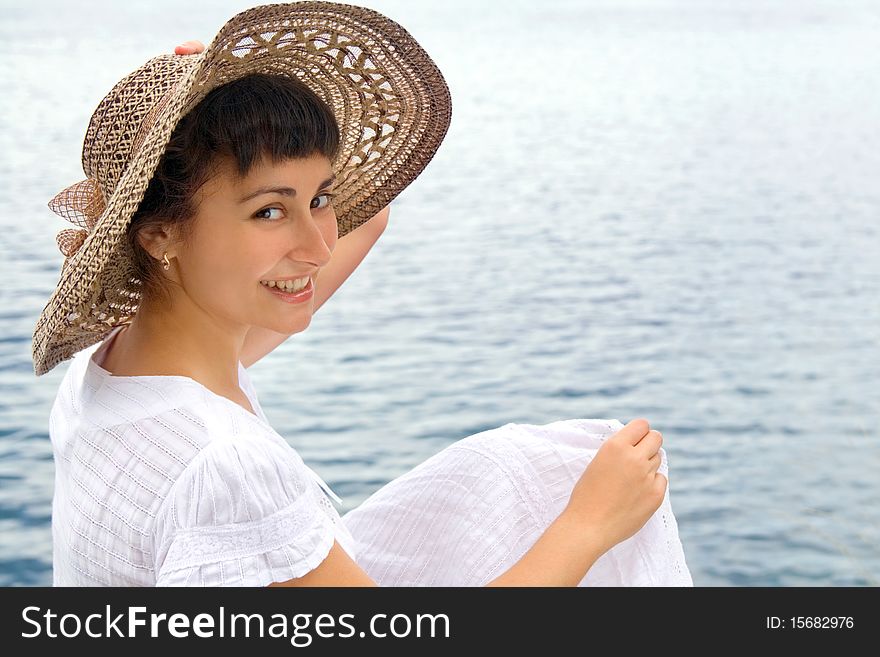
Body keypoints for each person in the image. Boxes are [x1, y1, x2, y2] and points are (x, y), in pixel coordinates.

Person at [34, 2, 687, 586]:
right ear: (160, 233)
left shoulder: (114, 373)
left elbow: (365, 216)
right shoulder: (227, 470)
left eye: (317, 198)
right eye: (268, 212)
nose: (318, 245)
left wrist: (234, 92)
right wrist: (589, 523)